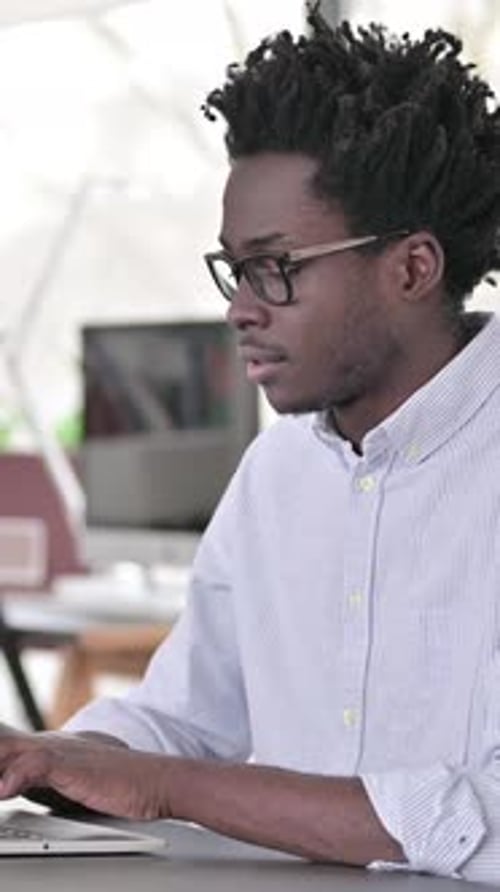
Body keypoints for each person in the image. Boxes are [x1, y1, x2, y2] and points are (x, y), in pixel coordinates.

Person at [1, 4, 500, 883]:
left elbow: (482, 818)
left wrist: (165, 785)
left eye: (277, 267)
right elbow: (182, 720)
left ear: (413, 269)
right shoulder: (279, 472)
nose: (240, 307)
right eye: (236, 270)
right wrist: (39, 756)